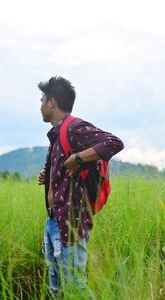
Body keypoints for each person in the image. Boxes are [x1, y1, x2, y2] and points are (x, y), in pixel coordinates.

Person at [38, 76, 124, 299]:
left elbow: (114, 142)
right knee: (56, 290)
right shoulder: (57, 135)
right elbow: (67, 170)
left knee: (75, 288)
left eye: (42, 100)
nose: (40, 106)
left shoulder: (74, 127)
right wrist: (49, 177)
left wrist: (78, 157)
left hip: (71, 222)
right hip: (54, 220)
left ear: (52, 102)